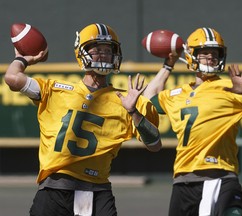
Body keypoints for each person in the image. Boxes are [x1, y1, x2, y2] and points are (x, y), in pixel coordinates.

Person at [4, 23, 162, 216]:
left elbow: (154, 144)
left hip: (98, 190)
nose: (103, 55)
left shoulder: (129, 100)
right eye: (97, 49)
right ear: (82, 53)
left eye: (108, 50)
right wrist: (22, 58)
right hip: (55, 188)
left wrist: (134, 113)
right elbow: (12, 78)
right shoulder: (55, 90)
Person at [143, 27, 242, 216]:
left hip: (217, 175)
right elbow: (148, 98)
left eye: (215, 53)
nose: (210, 57)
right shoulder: (177, 93)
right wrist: (168, 64)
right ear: (191, 56)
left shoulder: (230, 88)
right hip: (181, 180)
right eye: (204, 53)